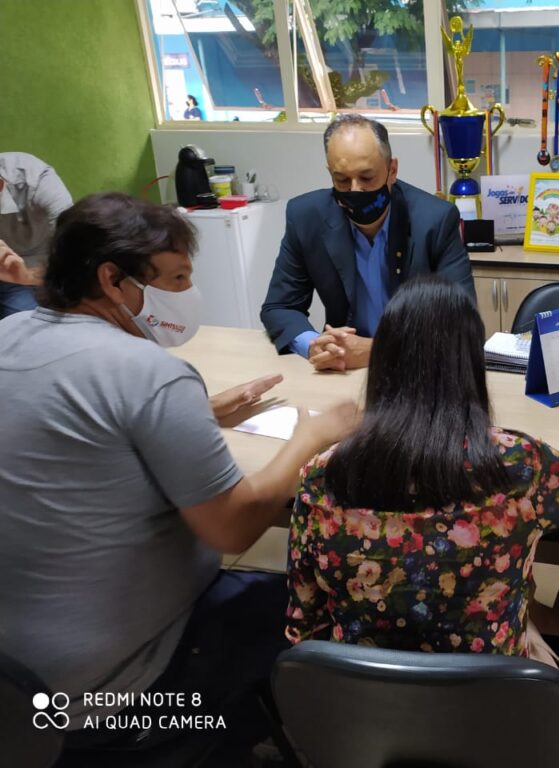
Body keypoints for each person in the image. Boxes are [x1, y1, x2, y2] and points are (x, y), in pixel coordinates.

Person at [0, 192, 358, 762]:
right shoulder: (149, 373)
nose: (187, 296)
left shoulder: (10, 336)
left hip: (18, 685)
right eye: (174, 279)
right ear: (113, 279)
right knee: (319, 600)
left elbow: (80, 428)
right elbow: (234, 527)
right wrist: (312, 436)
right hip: (115, 691)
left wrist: (197, 415)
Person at [285, 276, 559, 665]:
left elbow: (304, 631)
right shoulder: (518, 464)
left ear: (381, 364)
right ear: (471, 364)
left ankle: (546, 618)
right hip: (489, 714)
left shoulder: (322, 476)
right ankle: (550, 619)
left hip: (366, 712)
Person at [260, 114, 475, 373]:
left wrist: (375, 351)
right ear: (330, 174)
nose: (355, 190)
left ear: (392, 171)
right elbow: (280, 307)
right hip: (345, 369)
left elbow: (461, 321)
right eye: (342, 180)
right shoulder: (306, 217)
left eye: (366, 177)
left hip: (419, 370)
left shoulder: (434, 220)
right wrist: (314, 345)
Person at [0, 152, 72, 318]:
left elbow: (76, 262)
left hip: (39, 271)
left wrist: (27, 276)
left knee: (29, 326)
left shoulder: (37, 180)